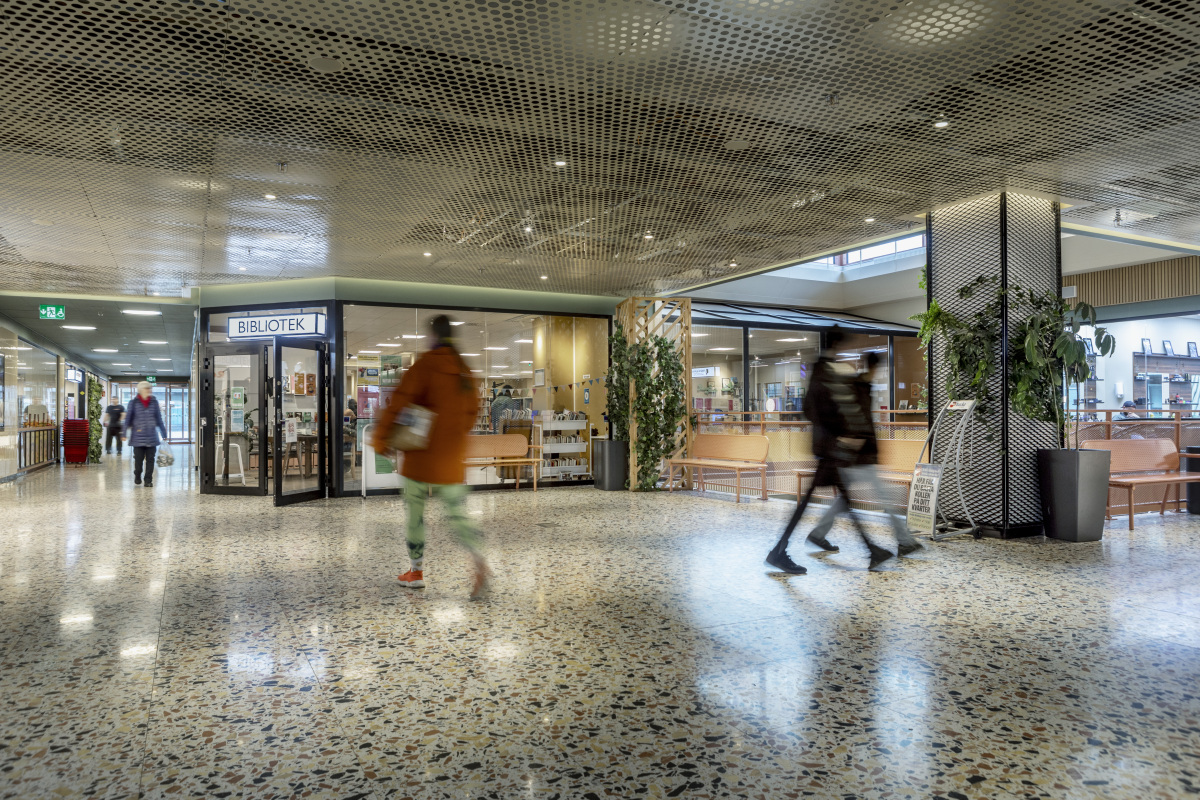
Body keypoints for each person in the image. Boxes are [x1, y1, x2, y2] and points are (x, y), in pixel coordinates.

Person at [765, 328, 907, 573]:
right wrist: (844, 434)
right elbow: (832, 409)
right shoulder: (828, 372)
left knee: (836, 500)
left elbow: (810, 409)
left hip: (826, 447)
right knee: (829, 501)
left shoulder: (819, 369)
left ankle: (870, 550)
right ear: (838, 345)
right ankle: (779, 551)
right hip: (831, 448)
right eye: (845, 346)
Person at [373, 315, 489, 598]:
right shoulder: (464, 372)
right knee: (457, 514)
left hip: (420, 458)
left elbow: (398, 404)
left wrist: (381, 439)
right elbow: (472, 413)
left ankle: (416, 572)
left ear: (433, 336)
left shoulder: (424, 366)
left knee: (415, 514)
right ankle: (478, 561)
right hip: (451, 459)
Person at [799, 352, 922, 560]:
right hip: (859, 455)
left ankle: (818, 534)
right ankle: (905, 541)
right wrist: (862, 445)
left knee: (844, 499)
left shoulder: (861, 387)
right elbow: (858, 422)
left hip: (856, 454)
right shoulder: (859, 388)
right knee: (883, 496)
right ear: (874, 368)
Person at [124, 381, 167, 487]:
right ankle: (137, 474)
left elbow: (159, 419)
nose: (149, 390)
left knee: (150, 460)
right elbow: (128, 419)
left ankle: (148, 480)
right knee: (138, 461)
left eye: (150, 388)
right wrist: (124, 433)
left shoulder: (154, 402)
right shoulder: (133, 403)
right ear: (141, 390)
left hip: (152, 437)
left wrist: (164, 432)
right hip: (138, 438)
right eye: (147, 389)